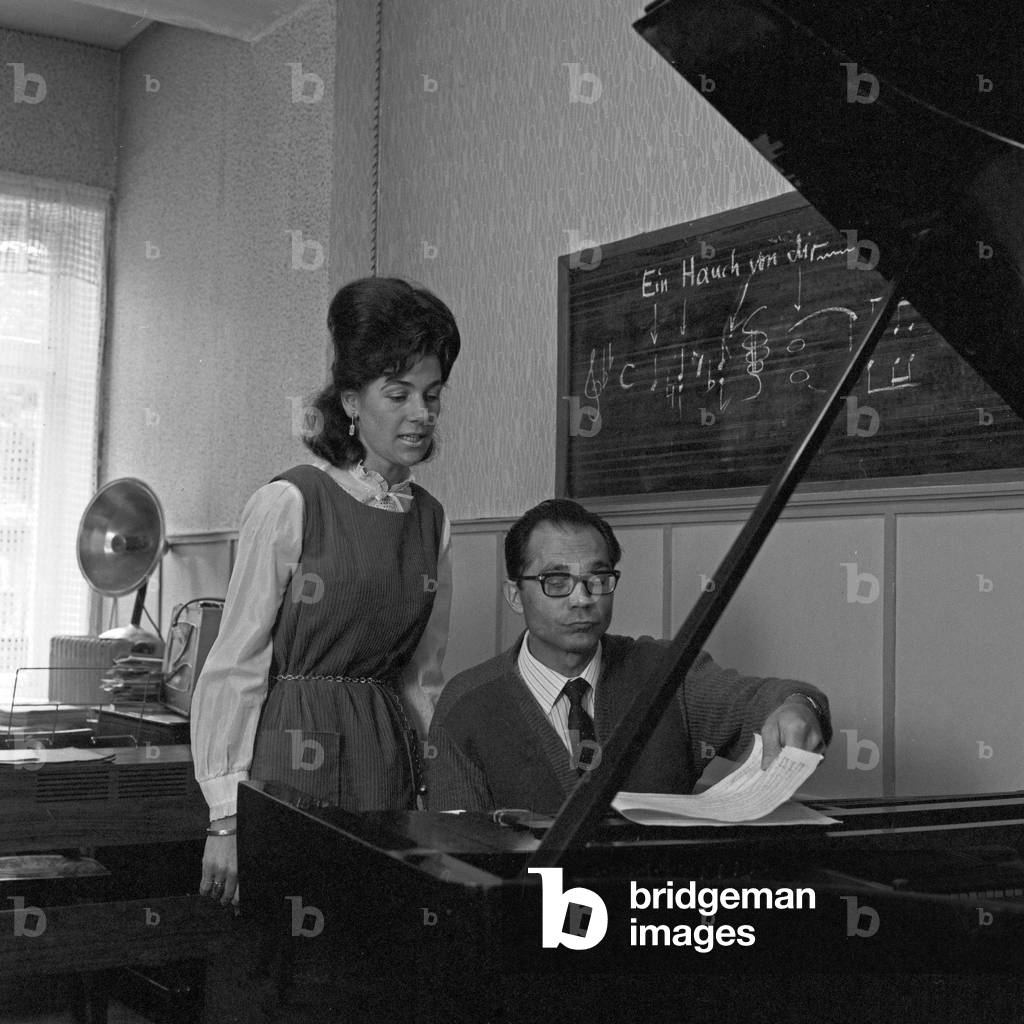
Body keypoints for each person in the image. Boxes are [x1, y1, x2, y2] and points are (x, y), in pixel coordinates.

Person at [192, 277, 461, 906]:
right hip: (288, 756)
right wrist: (226, 816)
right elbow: (237, 662)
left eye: (432, 396)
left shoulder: (433, 520)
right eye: (398, 395)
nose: (420, 414)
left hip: (385, 762)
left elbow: (424, 679)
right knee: (291, 951)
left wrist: (434, 788)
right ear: (350, 402)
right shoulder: (289, 502)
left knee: (374, 951)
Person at [428, 499, 830, 813]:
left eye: (598, 579)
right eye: (557, 581)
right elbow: (461, 854)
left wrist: (799, 706)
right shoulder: (468, 705)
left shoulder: (665, 672)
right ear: (515, 595)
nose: (582, 599)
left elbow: (766, 700)